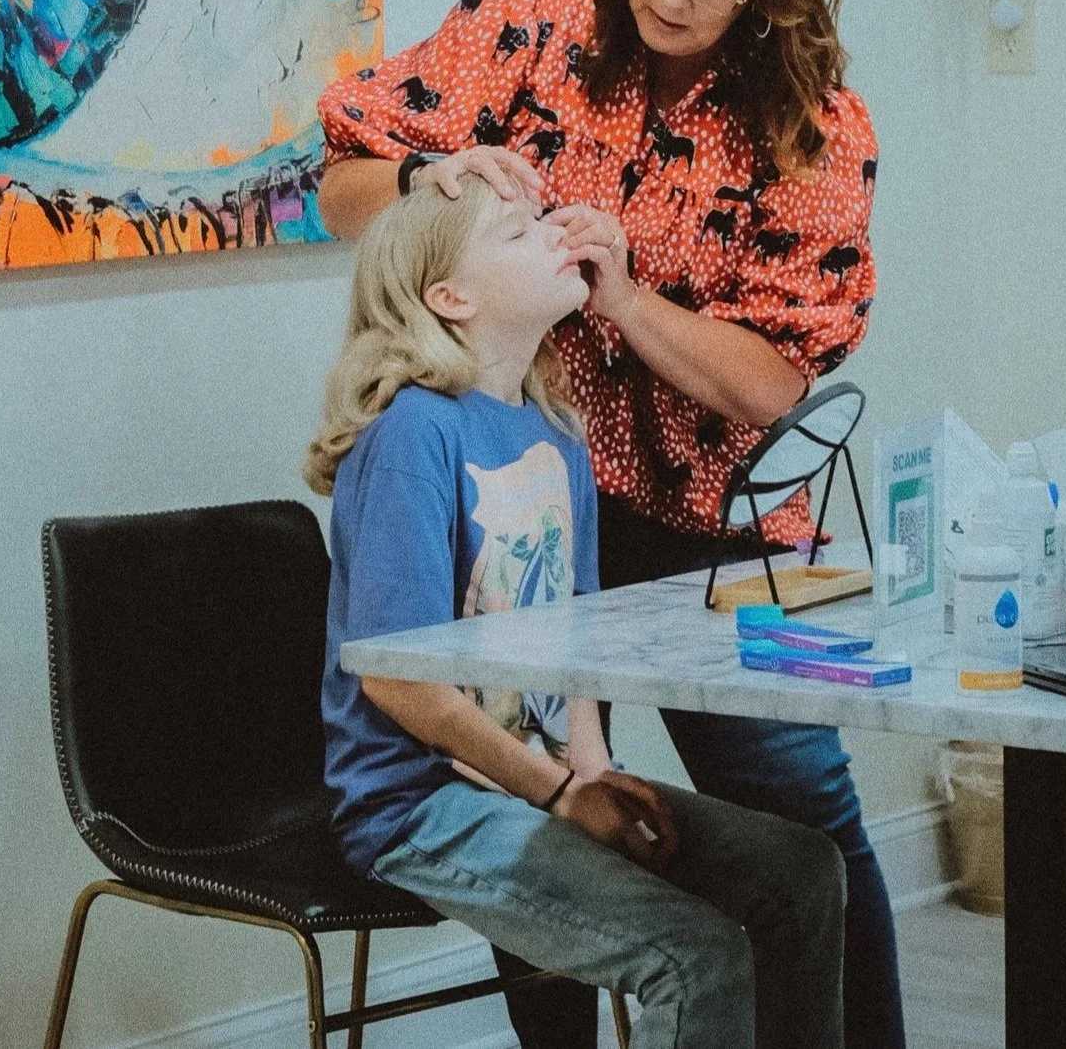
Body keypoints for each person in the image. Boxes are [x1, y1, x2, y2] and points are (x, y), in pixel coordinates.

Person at [316, 0, 904, 1049]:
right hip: (517, 482)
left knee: (806, 828)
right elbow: (344, 182)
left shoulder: (811, 129)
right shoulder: (529, 16)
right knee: (552, 831)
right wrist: (436, 182)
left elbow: (771, 388)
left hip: (709, 531)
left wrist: (626, 300)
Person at [310, 178, 846, 1049]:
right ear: (451, 297)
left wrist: (592, 777)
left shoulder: (557, 432)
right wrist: (561, 794)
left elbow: (576, 648)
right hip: (421, 804)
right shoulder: (414, 434)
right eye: (522, 230)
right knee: (697, 955)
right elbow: (399, 679)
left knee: (803, 870)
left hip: (543, 779)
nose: (560, 230)